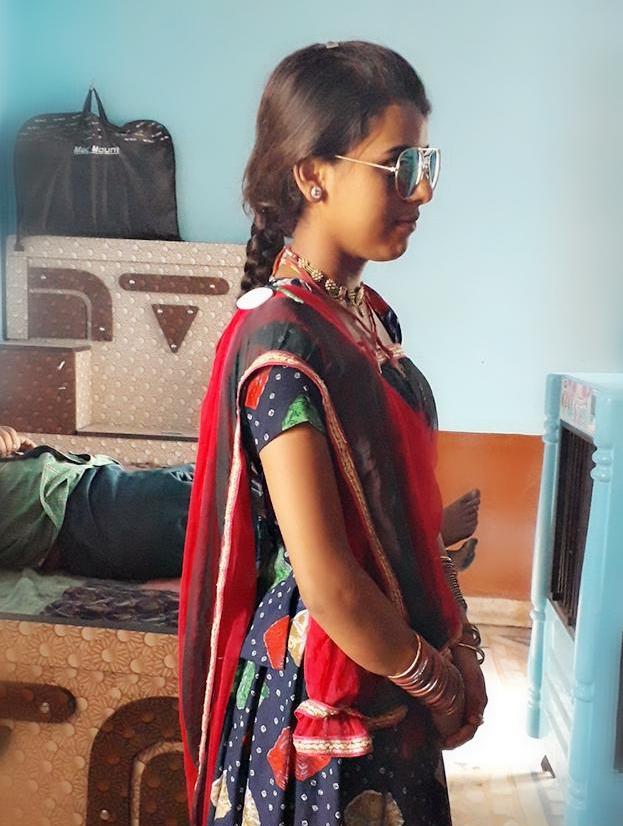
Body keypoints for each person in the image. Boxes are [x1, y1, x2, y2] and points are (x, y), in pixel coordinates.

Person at [178, 41, 487, 826]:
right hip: (325, 701)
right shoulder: (282, 343)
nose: (421, 191)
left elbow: (407, 512)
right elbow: (329, 581)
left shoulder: (367, 318)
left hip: (396, 664)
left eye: (425, 164)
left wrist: (460, 641)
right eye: (398, 166)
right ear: (313, 175)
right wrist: (439, 683)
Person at [0, 424, 193, 580]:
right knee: (191, 517)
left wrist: (19, 451)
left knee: (194, 483)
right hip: (74, 514)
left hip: (87, 479)